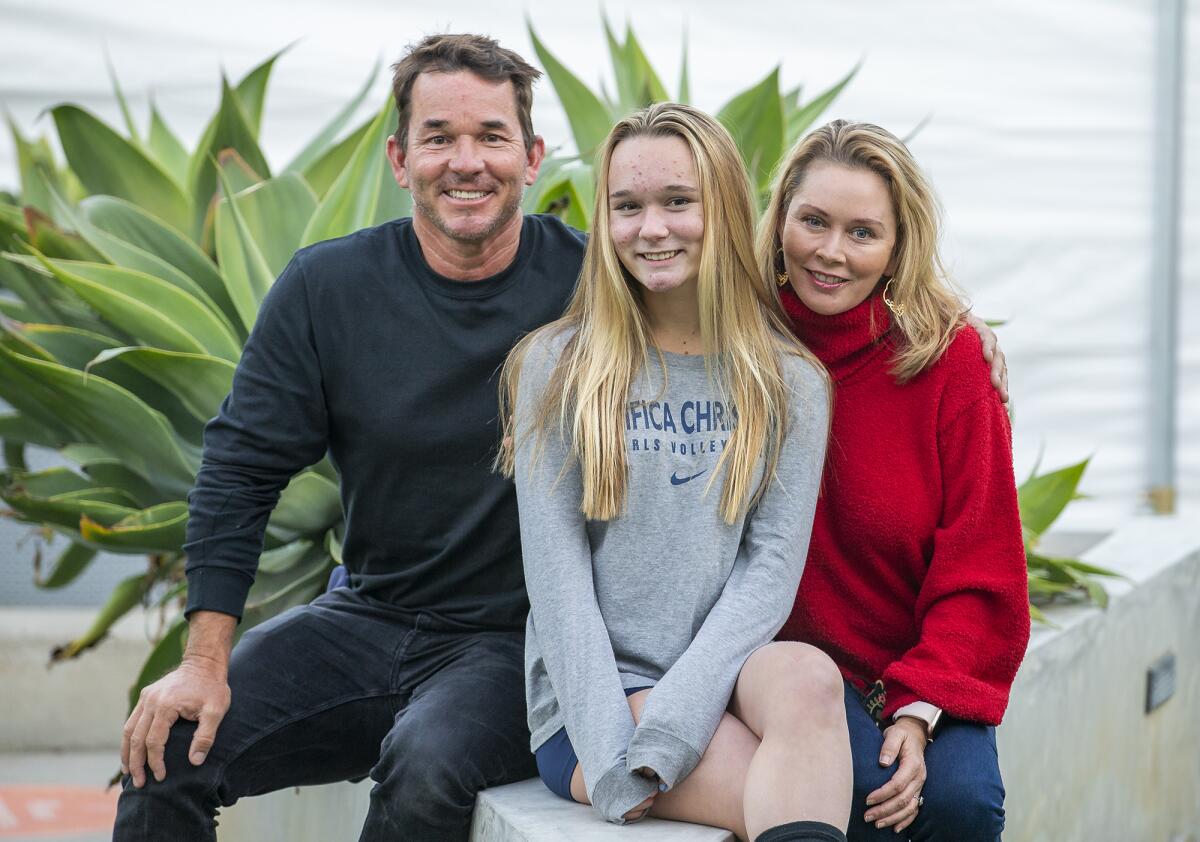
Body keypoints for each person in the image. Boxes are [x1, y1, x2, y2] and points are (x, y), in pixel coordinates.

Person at [113, 34, 584, 841]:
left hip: (517, 645)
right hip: (366, 617)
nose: (465, 161)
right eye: (438, 137)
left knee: (425, 769)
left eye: (491, 137)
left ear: (532, 157)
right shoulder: (326, 287)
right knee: (168, 750)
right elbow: (240, 469)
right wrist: (202, 661)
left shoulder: (590, 289)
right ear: (401, 161)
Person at [499, 102, 850, 842]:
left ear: (720, 206)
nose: (650, 228)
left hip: (722, 681)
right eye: (627, 206)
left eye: (677, 202)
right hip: (597, 701)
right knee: (793, 793)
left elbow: (771, 572)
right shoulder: (557, 367)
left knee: (809, 677)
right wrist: (619, 753)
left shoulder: (789, 382)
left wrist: (680, 720)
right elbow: (557, 583)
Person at [764, 120, 1029, 841]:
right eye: (813, 221)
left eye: (862, 233)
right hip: (785, 671)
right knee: (876, 797)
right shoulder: (736, 344)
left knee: (963, 807)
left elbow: (984, 563)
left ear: (896, 249)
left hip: (921, 662)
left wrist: (920, 705)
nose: (830, 252)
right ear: (780, 217)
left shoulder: (950, 363)